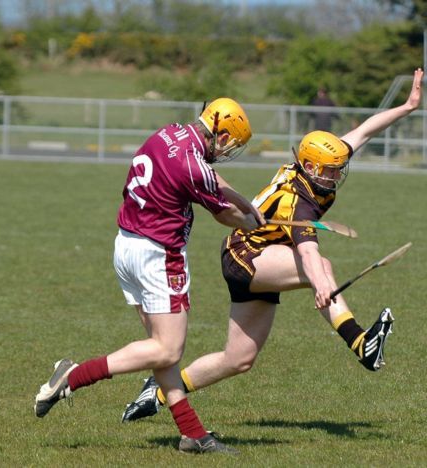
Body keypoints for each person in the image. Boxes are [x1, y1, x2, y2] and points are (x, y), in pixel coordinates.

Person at [121, 69, 425, 430]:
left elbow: (364, 131)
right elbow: (308, 254)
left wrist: (407, 106)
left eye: (338, 169)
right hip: (245, 256)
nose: (336, 176)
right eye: (330, 171)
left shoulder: (318, 166)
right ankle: (361, 343)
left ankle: (157, 392)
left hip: (261, 257)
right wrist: (320, 285)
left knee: (238, 359)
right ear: (310, 166)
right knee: (321, 266)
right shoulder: (300, 204)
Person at [33, 97, 266, 455]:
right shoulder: (194, 166)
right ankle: (73, 376)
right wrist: (252, 223)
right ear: (220, 133)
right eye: (229, 143)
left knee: (160, 352)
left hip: (126, 247)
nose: (226, 151)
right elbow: (223, 214)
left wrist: (248, 203)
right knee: (167, 348)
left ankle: (192, 434)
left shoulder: (170, 133)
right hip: (159, 256)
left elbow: (213, 179)